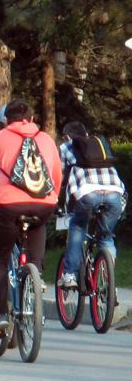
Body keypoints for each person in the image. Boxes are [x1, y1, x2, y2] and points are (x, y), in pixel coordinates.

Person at [0, 99, 62, 332]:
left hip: (9, 207)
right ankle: (34, 288)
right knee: (35, 249)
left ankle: (0, 314)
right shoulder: (46, 139)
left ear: (6, 120)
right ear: (32, 118)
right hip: (43, 206)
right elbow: (56, 175)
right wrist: (52, 199)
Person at [57, 121, 126, 288]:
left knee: (78, 226)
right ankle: (108, 282)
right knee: (106, 237)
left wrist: (59, 204)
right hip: (115, 192)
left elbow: (60, 177)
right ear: (86, 134)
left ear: (67, 136)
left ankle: (70, 275)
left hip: (88, 193)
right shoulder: (100, 144)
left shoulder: (66, 147)